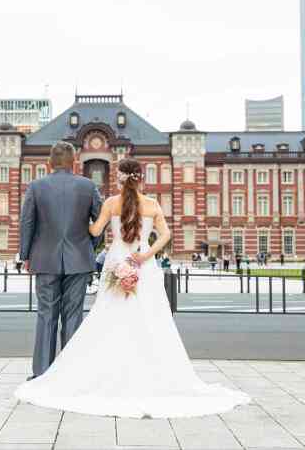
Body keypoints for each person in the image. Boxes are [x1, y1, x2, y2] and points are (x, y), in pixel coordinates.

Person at [15, 157, 250, 419]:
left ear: (119, 178)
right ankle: (147, 373)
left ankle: (100, 371)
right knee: (149, 318)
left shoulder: (111, 203)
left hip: (117, 259)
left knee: (108, 317)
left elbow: (94, 231)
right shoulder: (152, 204)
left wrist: (71, 220)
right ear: (141, 178)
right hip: (143, 264)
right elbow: (166, 235)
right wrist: (146, 254)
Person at [17, 141, 103, 380]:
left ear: (49, 163)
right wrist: (89, 246)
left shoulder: (36, 186)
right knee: (73, 315)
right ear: (74, 162)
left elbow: (27, 222)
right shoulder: (88, 186)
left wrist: (25, 255)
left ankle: (42, 374)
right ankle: (70, 374)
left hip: (44, 259)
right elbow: (101, 222)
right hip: (79, 259)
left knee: (46, 314)